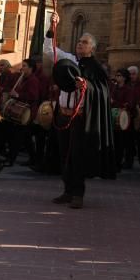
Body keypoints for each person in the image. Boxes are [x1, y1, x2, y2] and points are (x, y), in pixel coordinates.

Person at [46, 12, 117, 209]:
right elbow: (48, 50)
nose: (80, 44)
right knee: (63, 154)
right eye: (79, 41)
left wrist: (86, 84)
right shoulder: (68, 59)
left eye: (85, 42)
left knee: (77, 156)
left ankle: (78, 193)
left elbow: (102, 91)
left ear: (92, 48)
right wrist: (52, 27)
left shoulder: (96, 68)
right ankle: (67, 191)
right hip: (63, 115)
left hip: (80, 117)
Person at [111, 68, 131, 170]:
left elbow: (128, 104)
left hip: (124, 118)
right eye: (116, 75)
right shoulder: (115, 88)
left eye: (119, 75)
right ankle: (114, 162)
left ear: (124, 78)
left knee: (121, 143)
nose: (117, 77)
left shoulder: (128, 89)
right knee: (115, 141)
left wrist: (114, 102)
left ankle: (118, 163)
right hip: (114, 117)